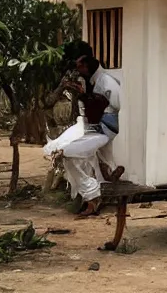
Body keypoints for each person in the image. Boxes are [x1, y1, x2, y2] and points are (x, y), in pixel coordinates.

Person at [48, 55, 123, 216]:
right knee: (76, 160)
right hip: (88, 126)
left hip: (103, 128)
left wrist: (85, 97)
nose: (78, 71)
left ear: (88, 67)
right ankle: (91, 196)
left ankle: (93, 196)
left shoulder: (105, 83)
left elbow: (115, 106)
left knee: (70, 154)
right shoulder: (90, 82)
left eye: (80, 67)